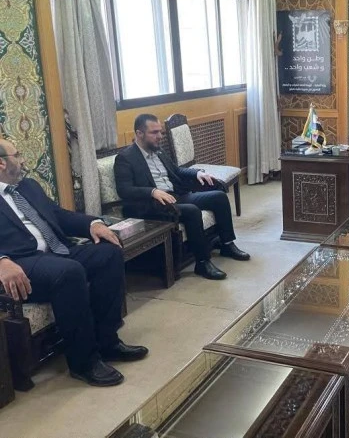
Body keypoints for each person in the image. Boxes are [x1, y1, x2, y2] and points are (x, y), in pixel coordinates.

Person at [0, 139, 147, 387]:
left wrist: (93, 224)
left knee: (109, 253)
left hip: (57, 251)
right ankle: (84, 362)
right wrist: (1, 261)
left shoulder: (28, 186)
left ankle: (107, 341)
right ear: (2, 163)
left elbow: (58, 215)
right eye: (18, 155)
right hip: (21, 262)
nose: (23, 160)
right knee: (69, 272)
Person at [114, 114, 250, 281]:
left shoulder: (158, 150)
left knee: (219, 197)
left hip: (176, 195)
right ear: (139, 133)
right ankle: (202, 262)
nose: (160, 136)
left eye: (160, 132)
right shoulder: (125, 158)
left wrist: (197, 173)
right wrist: (152, 192)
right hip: (153, 204)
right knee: (192, 211)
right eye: (154, 132)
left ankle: (227, 244)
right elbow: (124, 190)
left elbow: (176, 171)